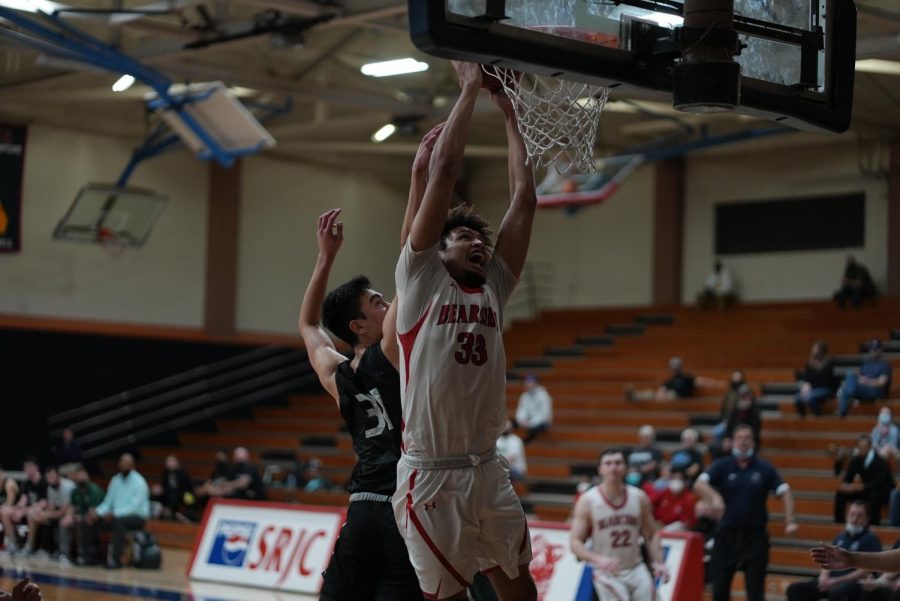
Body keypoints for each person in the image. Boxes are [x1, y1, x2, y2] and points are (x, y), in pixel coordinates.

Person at [392, 60, 538, 601]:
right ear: (439, 248)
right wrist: (470, 87)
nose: (478, 243)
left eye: (482, 239)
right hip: (431, 475)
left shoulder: (494, 288)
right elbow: (446, 170)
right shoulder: (420, 278)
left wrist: (511, 112)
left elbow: (524, 198)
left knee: (524, 595)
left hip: (487, 469)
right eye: (462, 236)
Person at [297, 122, 448, 601]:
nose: (388, 305)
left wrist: (325, 260)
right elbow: (411, 258)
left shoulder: (338, 377)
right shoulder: (390, 352)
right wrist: (418, 176)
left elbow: (306, 326)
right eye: (378, 302)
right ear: (359, 327)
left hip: (361, 509)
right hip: (402, 510)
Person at [693, 424, 799, 601]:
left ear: (753, 442)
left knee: (755, 592)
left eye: (747, 438)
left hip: (754, 538)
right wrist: (715, 498)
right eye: (739, 438)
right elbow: (699, 484)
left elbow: (785, 491)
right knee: (719, 591)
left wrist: (790, 521)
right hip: (726, 536)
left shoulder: (764, 468)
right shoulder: (722, 465)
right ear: (732, 441)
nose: (743, 442)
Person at [569, 448, 670, 600]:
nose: (613, 467)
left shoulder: (639, 497)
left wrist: (659, 563)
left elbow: (652, 533)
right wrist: (598, 559)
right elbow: (575, 542)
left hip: (636, 567)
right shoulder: (588, 500)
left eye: (618, 463)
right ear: (600, 469)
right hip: (607, 572)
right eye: (608, 463)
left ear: (626, 468)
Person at [787, 500, 881, 601]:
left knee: (837, 593)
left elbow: (866, 570)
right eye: (852, 514)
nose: (854, 519)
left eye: (859, 516)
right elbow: (827, 558)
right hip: (831, 580)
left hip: (853, 583)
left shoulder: (871, 539)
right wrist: (823, 577)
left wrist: (836, 581)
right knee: (795, 589)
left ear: (866, 519)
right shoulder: (840, 537)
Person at [87, 453, 150, 568]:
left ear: (132, 465)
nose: (124, 465)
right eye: (122, 462)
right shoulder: (115, 480)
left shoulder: (139, 482)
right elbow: (108, 502)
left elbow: (134, 506)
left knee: (119, 523)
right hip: (115, 516)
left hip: (136, 516)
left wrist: (115, 514)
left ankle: (115, 561)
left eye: (127, 463)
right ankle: (91, 557)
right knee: (91, 520)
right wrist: (97, 512)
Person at [834, 435, 894, 526]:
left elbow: (879, 482)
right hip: (866, 490)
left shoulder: (880, 461)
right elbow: (848, 477)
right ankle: (839, 523)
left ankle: (874, 525)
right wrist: (845, 485)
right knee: (841, 493)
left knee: (874, 495)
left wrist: (860, 487)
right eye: (860, 447)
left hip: (882, 490)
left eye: (864, 447)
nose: (862, 449)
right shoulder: (856, 460)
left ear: (869, 447)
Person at [25, 465, 75, 558]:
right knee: (35, 517)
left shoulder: (68, 487)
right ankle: (32, 548)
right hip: (58, 512)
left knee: (63, 521)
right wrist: (44, 514)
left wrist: (48, 515)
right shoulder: (50, 488)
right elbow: (51, 508)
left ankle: (64, 553)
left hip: (71, 512)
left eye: (52, 476)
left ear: (58, 475)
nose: (50, 479)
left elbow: (65, 510)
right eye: (48, 477)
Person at [1, 458, 46, 553]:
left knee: (31, 514)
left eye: (30, 466)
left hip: (41, 511)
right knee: (4, 512)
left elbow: (43, 503)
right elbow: (23, 499)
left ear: (36, 467)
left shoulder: (43, 481)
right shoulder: (26, 482)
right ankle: (13, 543)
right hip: (27, 509)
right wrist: (17, 509)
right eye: (26, 467)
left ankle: (29, 546)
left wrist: (24, 511)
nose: (27, 469)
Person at [838, 340, 893, 417]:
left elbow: (881, 383)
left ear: (881, 350)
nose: (874, 351)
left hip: (876, 391)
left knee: (845, 389)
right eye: (872, 349)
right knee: (850, 373)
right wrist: (862, 380)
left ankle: (843, 408)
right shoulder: (866, 364)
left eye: (876, 349)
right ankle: (846, 400)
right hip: (864, 388)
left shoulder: (885, 365)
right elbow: (861, 378)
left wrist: (868, 381)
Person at [68, 465, 105, 565]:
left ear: (87, 476)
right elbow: (73, 507)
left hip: (101, 515)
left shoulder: (94, 490)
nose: (81, 477)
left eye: (83, 475)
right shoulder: (75, 491)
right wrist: (72, 516)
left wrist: (82, 516)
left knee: (86, 522)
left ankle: (88, 556)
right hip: (84, 515)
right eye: (78, 475)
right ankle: (69, 553)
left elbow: (94, 510)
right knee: (69, 521)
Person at [796, 341, 836, 417]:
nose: (814, 353)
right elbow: (806, 378)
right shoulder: (810, 363)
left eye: (816, 351)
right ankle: (802, 419)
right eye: (813, 351)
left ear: (822, 352)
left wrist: (811, 387)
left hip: (825, 388)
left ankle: (818, 418)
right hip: (813, 389)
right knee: (798, 398)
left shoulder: (829, 363)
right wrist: (806, 385)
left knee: (810, 398)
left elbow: (827, 381)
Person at [152, 455, 195, 522]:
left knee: (187, 498)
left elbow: (185, 487)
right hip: (170, 493)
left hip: (184, 493)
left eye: (172, 461)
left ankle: (185, 516)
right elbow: (164, 485)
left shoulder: (182, 473)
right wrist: (159, 488)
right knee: (157, 493)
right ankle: (160, 512)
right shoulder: (166, 473)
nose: (170, 463)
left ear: (177, 463)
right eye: (168, 461)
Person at [514, 375, 552, 444]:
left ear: (536, 384)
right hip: (527, 420)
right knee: (511, 423)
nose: (528, 385)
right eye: (527, 383)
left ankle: (525, 442)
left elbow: (544, 414)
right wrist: (521, 420)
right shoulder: (524, 395)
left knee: (535, 430)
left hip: (541, 421)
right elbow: (521, 409)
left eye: (530, 383)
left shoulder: (543, 395)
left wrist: (530, 423)